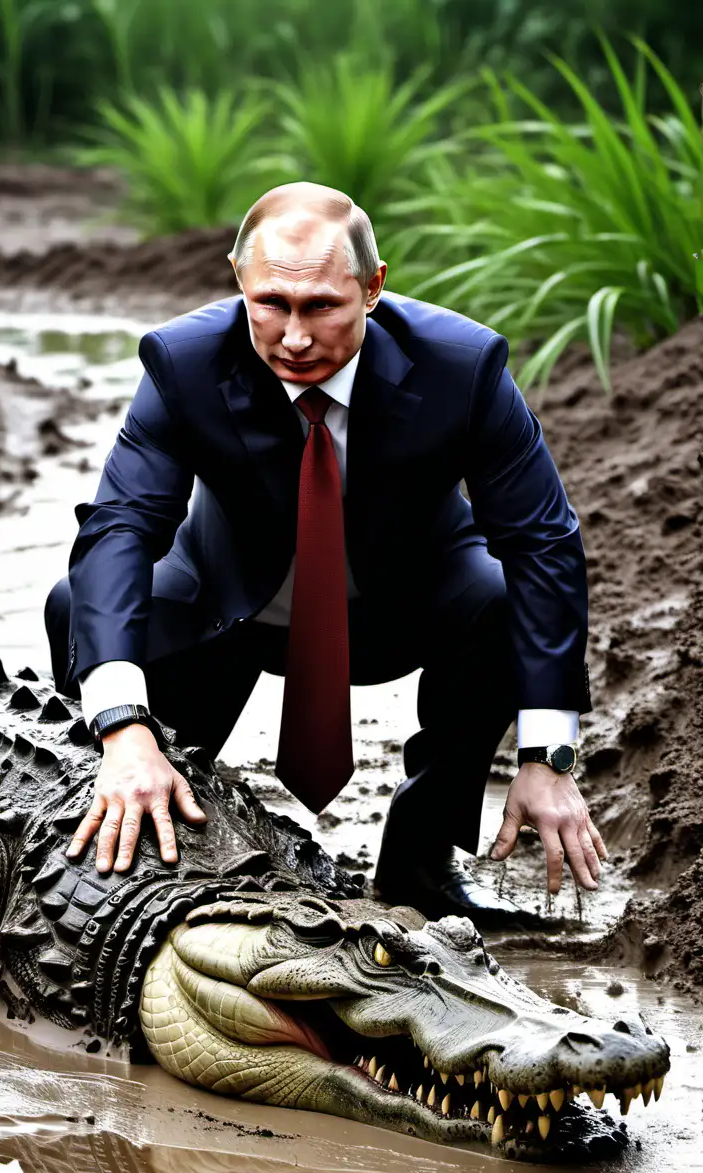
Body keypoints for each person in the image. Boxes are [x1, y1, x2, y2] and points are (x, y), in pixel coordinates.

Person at [45, 181, 606, 928]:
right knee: (76, 603)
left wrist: (548, 754)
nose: (296, 337)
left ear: (373, 288)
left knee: (505, 599)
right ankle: (140, 834)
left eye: (322, 308)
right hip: (225, 604)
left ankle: (420, 868)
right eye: (271, 304)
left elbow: (543, 541)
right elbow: (120, 525)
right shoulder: (182, 363)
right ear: (239, 281)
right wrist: (121, 725)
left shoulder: (461, 366)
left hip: (401, 603)